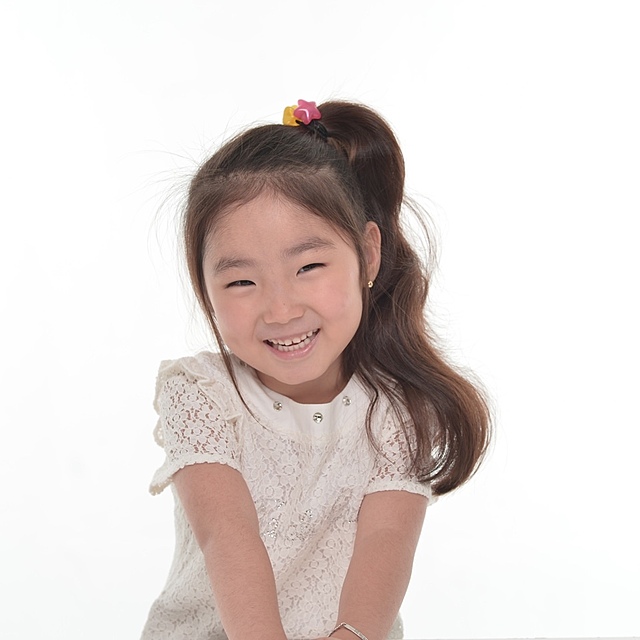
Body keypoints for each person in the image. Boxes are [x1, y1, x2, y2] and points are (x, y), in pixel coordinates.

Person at [141, 99, 491, 640]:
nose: (280, 310)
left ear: (368, 254)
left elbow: (384, 549)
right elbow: (228, 539)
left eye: (308, 267)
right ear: (204, 288)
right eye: (241, 281)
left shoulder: (397, 412)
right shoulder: (202, 394)